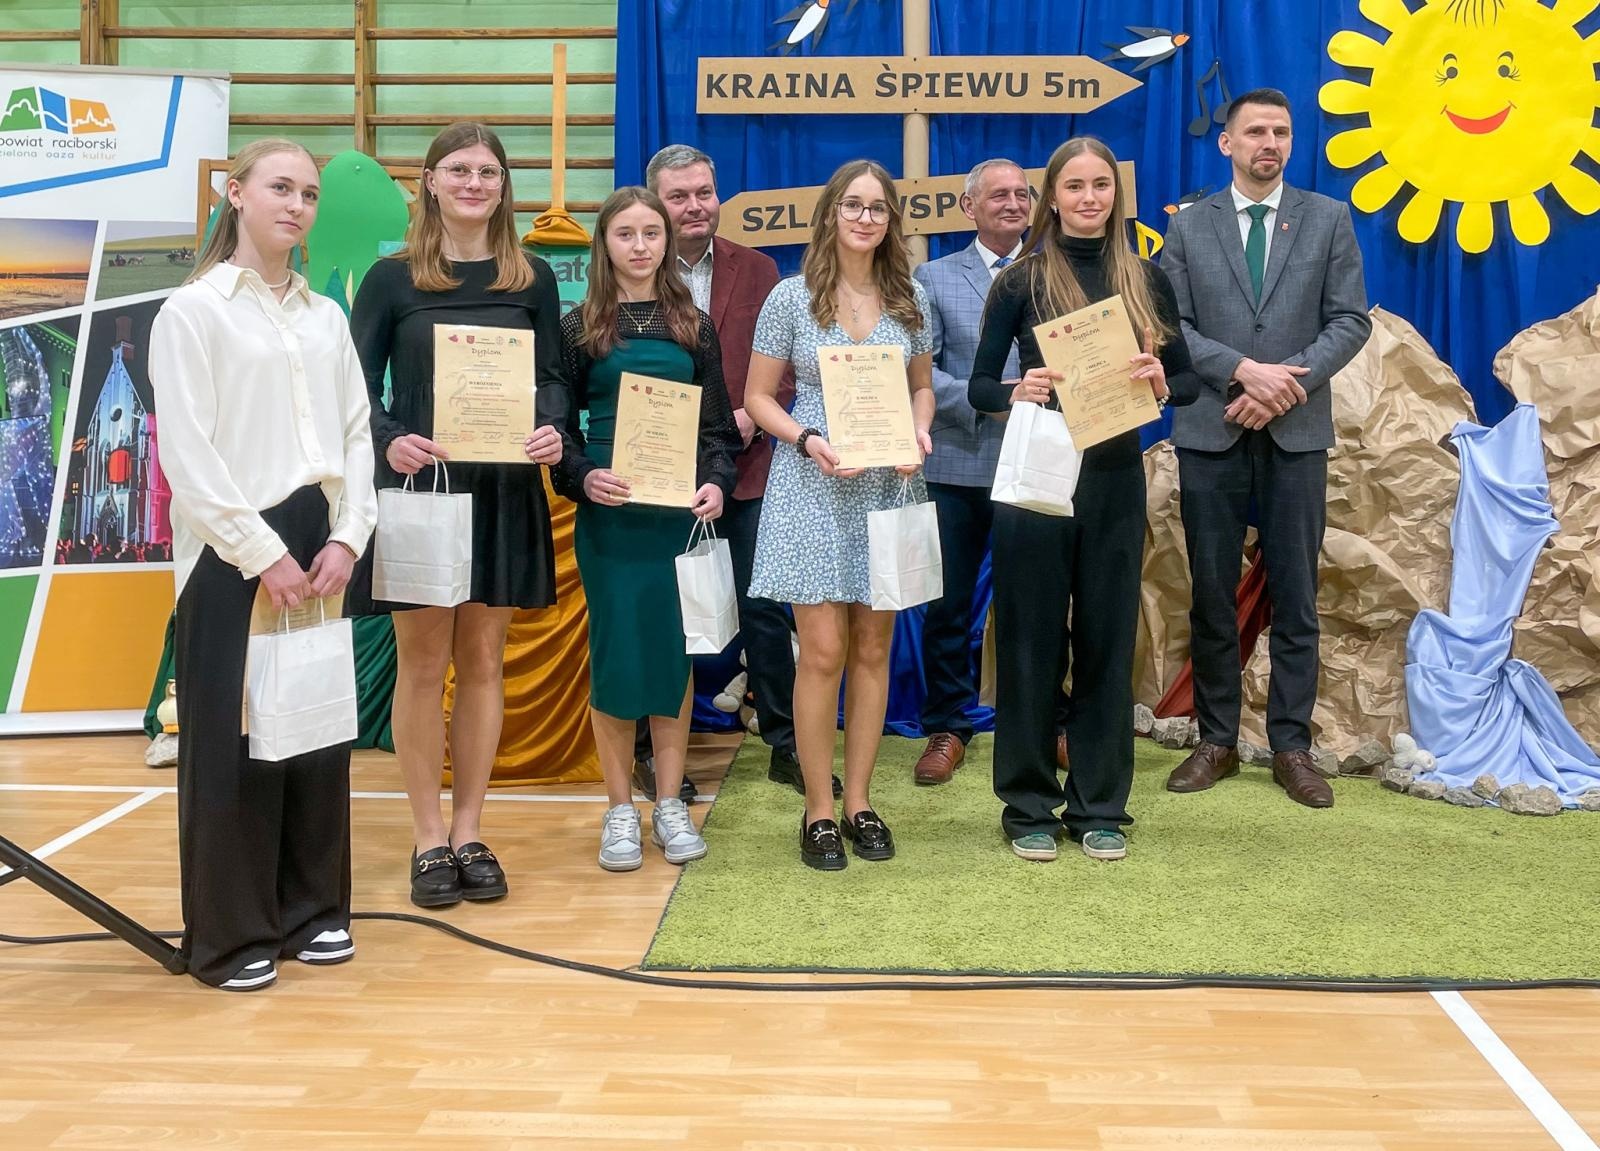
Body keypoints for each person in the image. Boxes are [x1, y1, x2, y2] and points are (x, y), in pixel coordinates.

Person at [149, 138, 378, 991]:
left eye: (310, 194)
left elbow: (357, 433)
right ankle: (231, 931)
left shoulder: (324, 318)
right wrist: (262, 552)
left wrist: (349, 533)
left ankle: (314, 908)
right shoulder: (195, 311)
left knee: (313, 725)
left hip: (320, 538)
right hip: (231, 546)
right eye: (280, 187)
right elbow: (189, 454)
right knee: (233, 740)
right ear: (236, 193)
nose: (297, 205)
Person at [349, 122, 569, 908]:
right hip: (420, 490)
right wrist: (389, 440)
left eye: (489, 171)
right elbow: (354, 391)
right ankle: (426, 835)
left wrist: (553, 425)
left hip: (505, 489)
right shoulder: (390, 279)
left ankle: (471, 828)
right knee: (422, 662)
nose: (475, 182)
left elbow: (554, 378)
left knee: (482, 660)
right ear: (430, 182)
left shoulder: (533, 277)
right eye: (459, 170)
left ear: (504, 187)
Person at [969, 136, 1200, 863]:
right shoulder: (1021, 281)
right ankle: (1028, 805)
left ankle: (1101, 805)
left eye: (1101, 185)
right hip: (1037, 477)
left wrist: (1159, 378)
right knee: (1031, 641)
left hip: (1111, 480)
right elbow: (978, 387)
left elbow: (1188, 384)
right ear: (1053, 198)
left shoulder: (1147, 279)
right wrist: (1019, 389)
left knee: (1107, 640)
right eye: (1075, 186)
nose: (1090, 197)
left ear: (1115, 197)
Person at [1159, 89, 1371, 809]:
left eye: (1281, 131)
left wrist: (1282, 388)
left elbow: (1350, 322)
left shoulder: (1329, 218)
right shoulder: (1187, 228)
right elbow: (1172, 327)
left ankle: (1291, 745)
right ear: (1227, 144)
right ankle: (1215, 738)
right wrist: (1242, 373)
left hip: (1296, 431)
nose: (1269, 143)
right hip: (1210, 432)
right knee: (1213, 592)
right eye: (1255, 131)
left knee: (1296, 595)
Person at [744, 159, 936, 870]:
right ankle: (818, 808)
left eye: (877, 208)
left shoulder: (907, 299)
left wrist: (920, 433)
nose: (864, 217)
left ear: (890, 220)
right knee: (822, 652)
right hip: (813, 483)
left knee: (874, 651)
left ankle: (859, 800)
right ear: (829, 214)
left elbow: (922, 389)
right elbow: (759, 396)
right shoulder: (791, 298)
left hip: (887, 484)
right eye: (852, 205)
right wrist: (807, 439)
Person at [629, 145, 832, 802]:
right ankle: (652, 750)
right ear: (654, 202)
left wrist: (748, 414)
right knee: (660, 612)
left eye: (704, 193)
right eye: (679, 196)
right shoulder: (631, 270)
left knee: (765, 610)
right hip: (654, 477)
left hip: (744, 469)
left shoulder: (761, 268)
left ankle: (783, 741)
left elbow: (787, 367)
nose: (695, 207)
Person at [552, 186, 740, 872]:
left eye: (650, 234)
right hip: (609, 517)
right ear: (605, 244)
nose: (639, 245)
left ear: (666, 243)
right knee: (615, 656)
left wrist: (716, 481)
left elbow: (718, 430)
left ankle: (668, 803)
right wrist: (580, 475)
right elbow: (559, 429)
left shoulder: (694, 325)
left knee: (672, 656)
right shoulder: (579, 329)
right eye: (625, 233)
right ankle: (618, 810)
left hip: (675, 518)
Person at [911, 157, 1071, 786]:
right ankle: (947, 725)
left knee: (1041, 603)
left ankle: (1049, 723)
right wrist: (1003, 396)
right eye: (997, 195)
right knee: (949, 605)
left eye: (1021, 194)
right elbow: (921, 373)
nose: (1012, 203)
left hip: (1043, 462)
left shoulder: (1056, 275)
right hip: (957, 463)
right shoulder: (932, 277)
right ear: (967, 207)